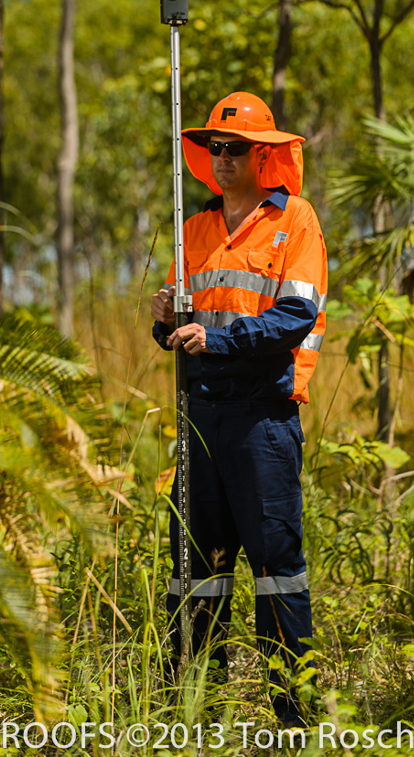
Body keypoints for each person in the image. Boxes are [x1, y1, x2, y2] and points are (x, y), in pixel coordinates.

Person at [151, 91, 327, 722]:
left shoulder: (295, 220)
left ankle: (293, 717)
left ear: (263, 156)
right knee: (196, 567)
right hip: (200, 416)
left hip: (263, 419)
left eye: (237, 148)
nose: (223, 157)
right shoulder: (193, 228)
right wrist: (165, 319)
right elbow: (180, 330)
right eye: (215, 147)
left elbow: (295, 315)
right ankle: (190, 708)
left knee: (276, 567)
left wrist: (216, 339)